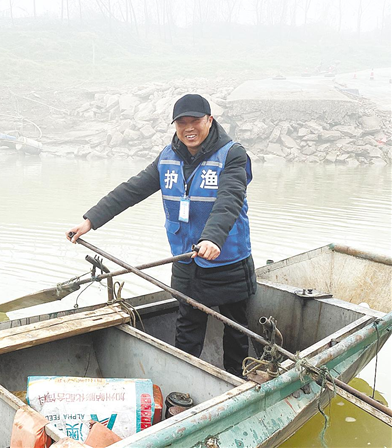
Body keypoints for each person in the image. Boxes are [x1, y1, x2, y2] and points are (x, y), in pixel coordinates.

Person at [66, 94, 256, 378]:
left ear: (210, 121)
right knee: (187, 326)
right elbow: (133, 189)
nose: (189, 128)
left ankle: (237, 382)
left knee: (236, 327)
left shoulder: (232, 154)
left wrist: (213, 239)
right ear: (175, 125)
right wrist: (90, 220)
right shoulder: (168, 157)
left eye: (195, 121)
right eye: (182, 123)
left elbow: (229, 199)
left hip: (226, 259)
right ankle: (182, 384)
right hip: (185, 260)